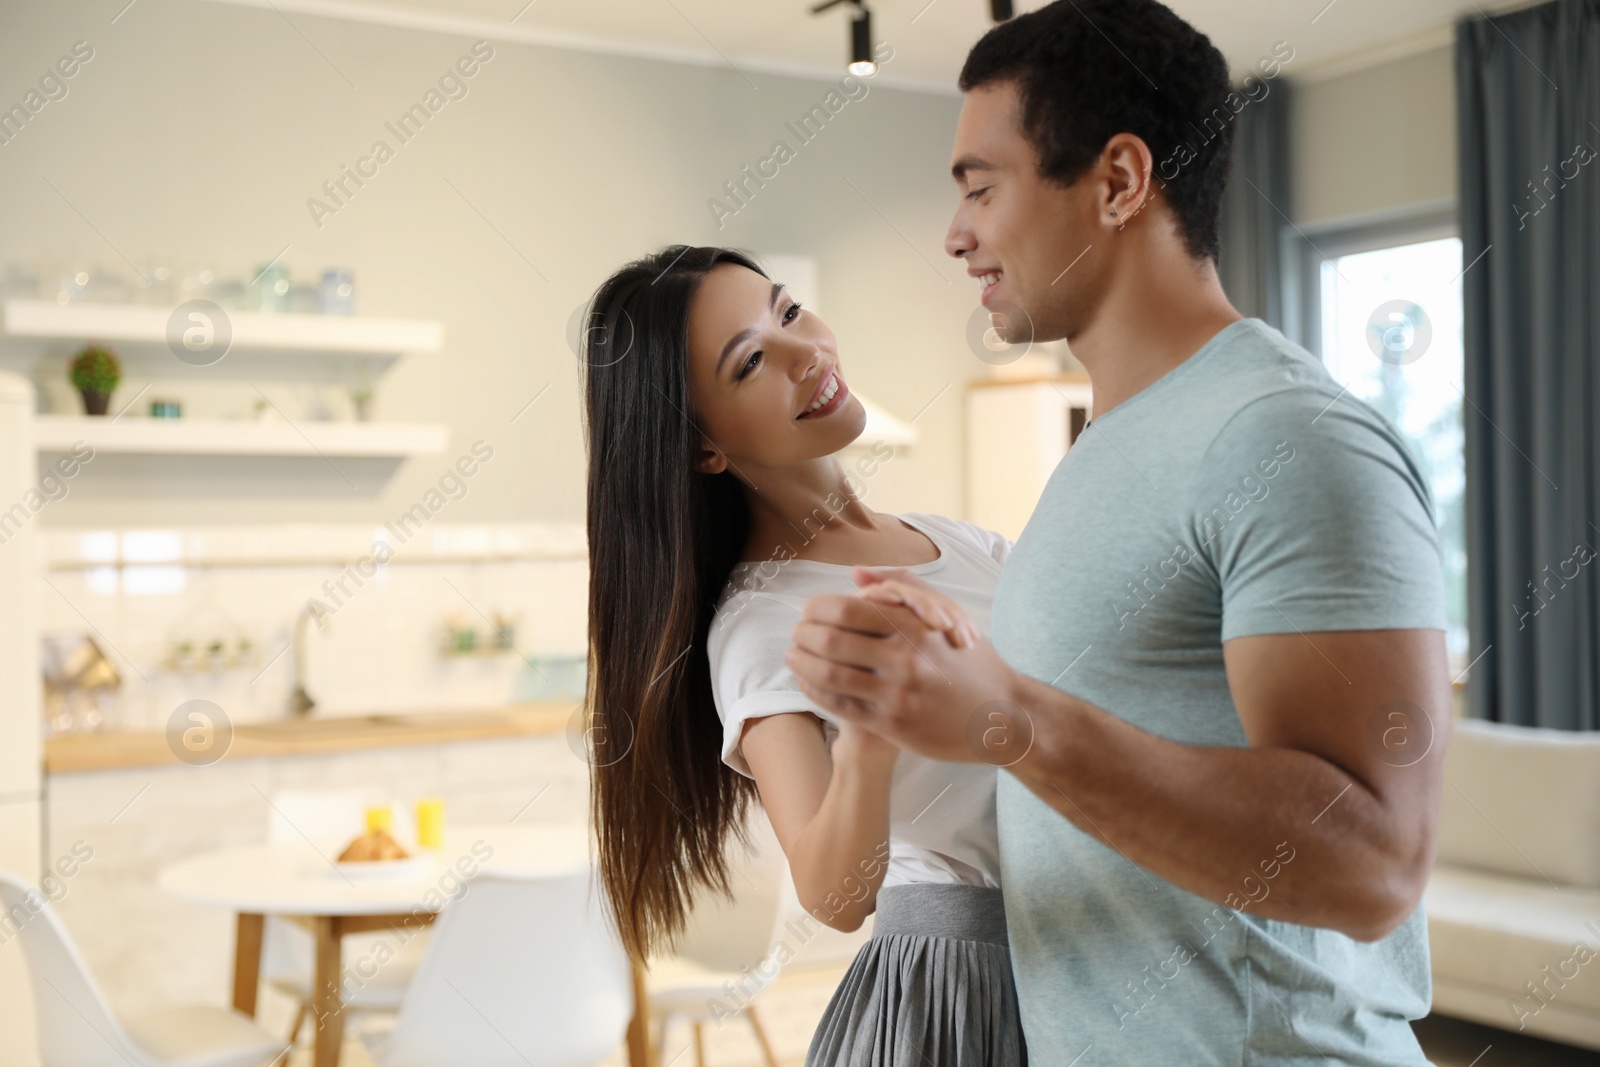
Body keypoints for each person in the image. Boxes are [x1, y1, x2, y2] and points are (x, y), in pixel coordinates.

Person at [785, 2, 1452, 1065]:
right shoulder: (1103, 447)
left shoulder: (1286, 436)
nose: (955, 235)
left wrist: (1006, 716)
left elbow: (1372, 864)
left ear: (1118, 181)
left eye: (979, 188)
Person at [578, 245, 1027, 1065]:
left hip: (1083, 951)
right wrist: (872, 735)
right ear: (703, 448)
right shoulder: (763, 623)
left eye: (787, 312)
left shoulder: (966, 544)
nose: (806, 353)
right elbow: (837, 894)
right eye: (751, 362)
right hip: (965, 996)